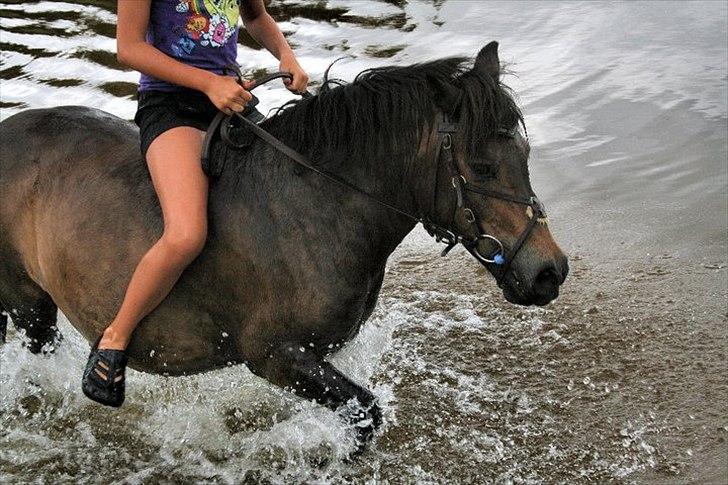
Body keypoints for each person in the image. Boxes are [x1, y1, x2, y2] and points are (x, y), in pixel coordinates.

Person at [81, 0, 308, 407]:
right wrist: (207, 82)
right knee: (187, 234)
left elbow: (255, 16)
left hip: (230, 101)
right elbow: (128, 48)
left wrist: (286, 55)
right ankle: (114, 339)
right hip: (171, 105)